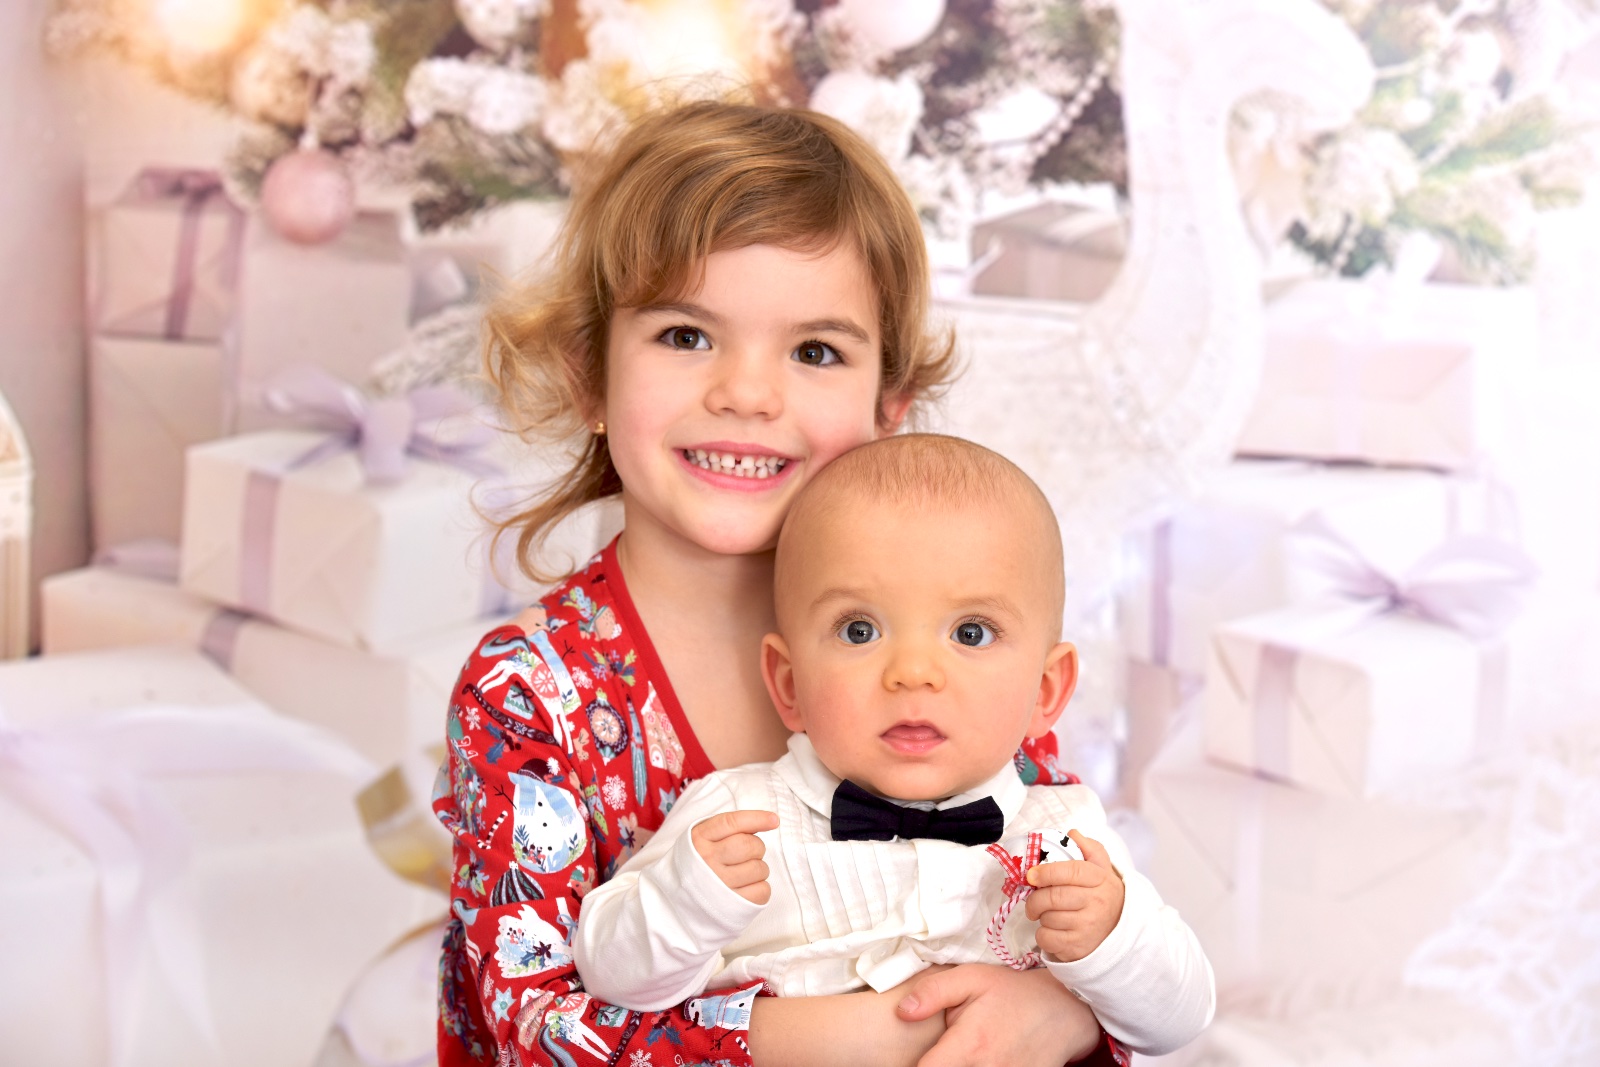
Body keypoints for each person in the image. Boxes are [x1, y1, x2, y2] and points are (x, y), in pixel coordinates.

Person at [433, 100, 1132, 1067]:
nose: (748, 394)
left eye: (814, 352)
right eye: (686, 335)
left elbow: (1071, 891)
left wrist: (1069, 1009)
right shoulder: (529, 694)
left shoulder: (950, 635)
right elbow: (531, 1027)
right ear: (591, 374)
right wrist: (869, 1036)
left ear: (889, 403)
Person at [570, 435, 1215, 1056]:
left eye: (970, 633)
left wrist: (1113, 936)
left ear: (1046, 690)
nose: (913, 672)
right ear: (789, 683)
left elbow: (1178, 1021)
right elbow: (610, 980)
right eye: (859, 630)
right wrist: (686, 904)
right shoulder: (738, 819)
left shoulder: (1067, 839)